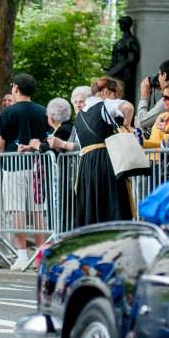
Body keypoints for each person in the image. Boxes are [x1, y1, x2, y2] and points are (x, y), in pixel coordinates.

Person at [0, 73, 50, 269]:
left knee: (16, 209)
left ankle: (21, 254)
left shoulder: (8, 112)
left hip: (13, 165)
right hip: (37, 166)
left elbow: (0, 143)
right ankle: (41, 253)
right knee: (38, 211)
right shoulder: (43, 111)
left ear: (16, 89)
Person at [70, 77, 135, 226]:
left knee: (91, 208)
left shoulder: (79, 116)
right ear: (105, 91)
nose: (116, 98)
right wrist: (126, 126)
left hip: (86, 165)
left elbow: (79, 145)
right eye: (115, 94)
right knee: (112, 205)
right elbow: (128, 107)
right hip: (106, 161)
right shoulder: (105, 104)